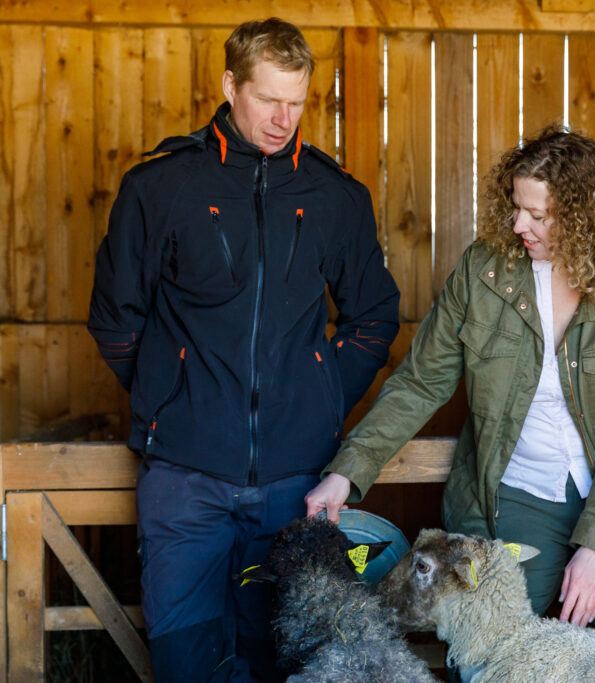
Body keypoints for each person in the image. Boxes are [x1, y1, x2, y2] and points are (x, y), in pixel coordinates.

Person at [88, 18, 399, 682]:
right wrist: (171, 400)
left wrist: (316, 398)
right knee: (186, 661)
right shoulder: (161, 188)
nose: (283, 118)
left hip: (295, 483)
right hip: (185, 481)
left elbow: (374, 318)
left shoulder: (334, 197)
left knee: (282, 660)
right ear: (231, 85)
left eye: (297, 101)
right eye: (268, 99)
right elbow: (116, 321)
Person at [305, 125, 595, 645]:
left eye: (538, 215)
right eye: (515, 207)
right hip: (515, 495)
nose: (519, 225)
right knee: (493, 646)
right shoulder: (483, 274)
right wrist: (346, 473)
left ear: (585, 219)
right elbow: (420, 382)